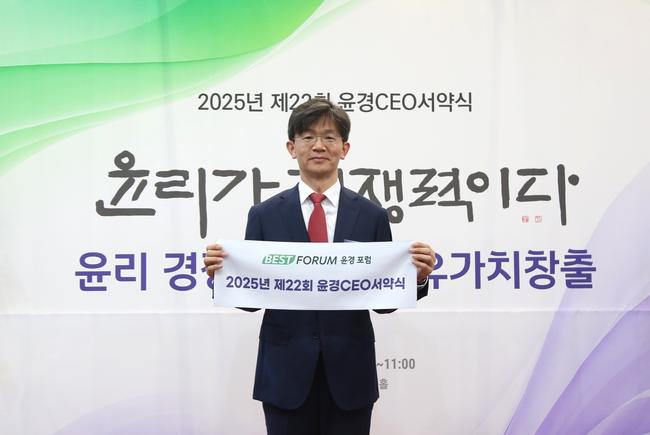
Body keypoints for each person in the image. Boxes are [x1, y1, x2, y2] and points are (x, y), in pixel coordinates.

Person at [204, 98, 435, 435]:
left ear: (344, 148)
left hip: (351, 373)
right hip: (284, 373)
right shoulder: (265, 215)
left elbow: (384, 304)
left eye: (329, 137)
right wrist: (222, 275)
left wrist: (417, 278)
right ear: (291, 147)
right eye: (308, 136)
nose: (318, 146)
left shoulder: (372, 216)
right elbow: (252, 299)